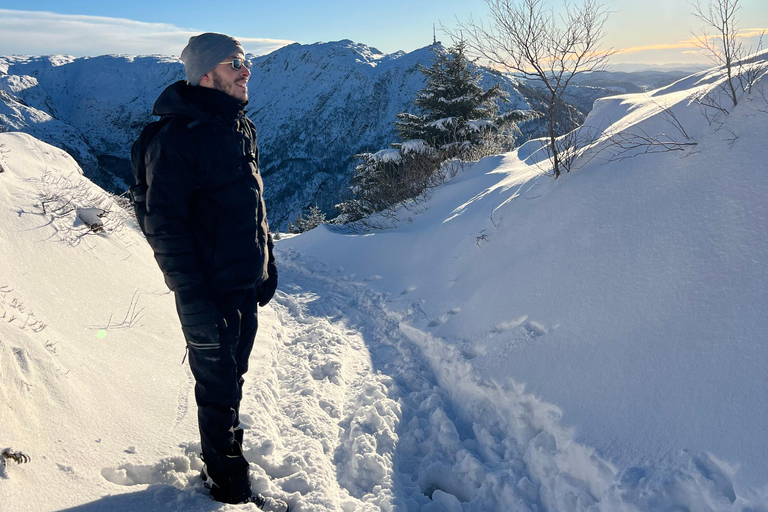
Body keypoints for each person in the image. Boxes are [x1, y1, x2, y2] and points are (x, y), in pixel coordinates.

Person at [139, 32, 285, 510]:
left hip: (243, 284)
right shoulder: (178, 139)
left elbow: (251, 203)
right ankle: (229, 487)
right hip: (206, 292)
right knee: (218, 389)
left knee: (233, 378)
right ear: (206, 75)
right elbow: (164, 224)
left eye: (245, 60)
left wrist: (267, 261)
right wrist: (193, 294)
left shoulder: (237, 126)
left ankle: (224, 459)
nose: (245, 70)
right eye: (233, 62)